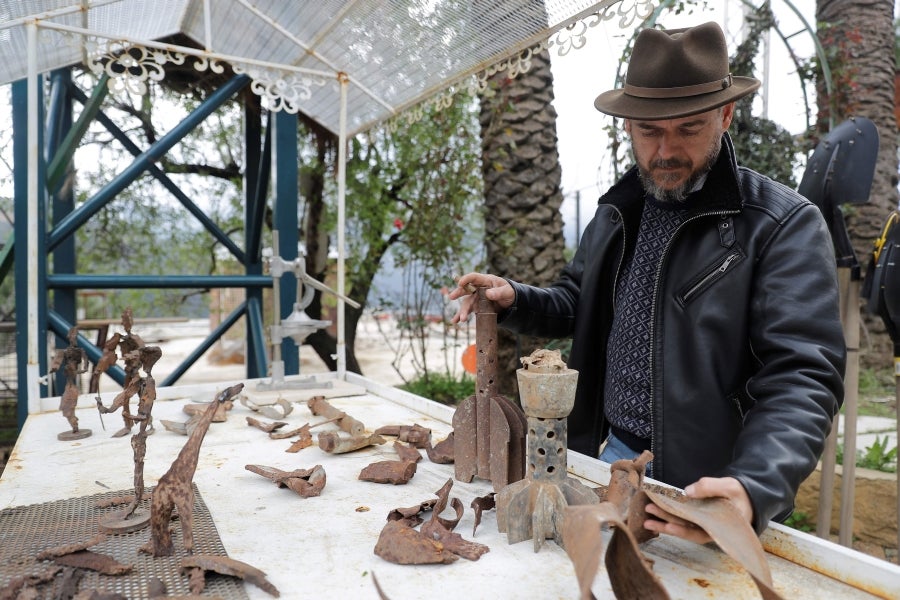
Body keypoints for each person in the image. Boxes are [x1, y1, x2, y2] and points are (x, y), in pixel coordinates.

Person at [449, 21, 845, 542]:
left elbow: (803, 375)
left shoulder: (781, 224)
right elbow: (578, 301)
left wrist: (751, 487)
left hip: (710, 489)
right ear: (629, 125)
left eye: (689, 128)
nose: (666, 152)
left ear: (726, 115)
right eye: (650, 131)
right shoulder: (618, 212)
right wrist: (515, 298)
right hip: (611, 458)